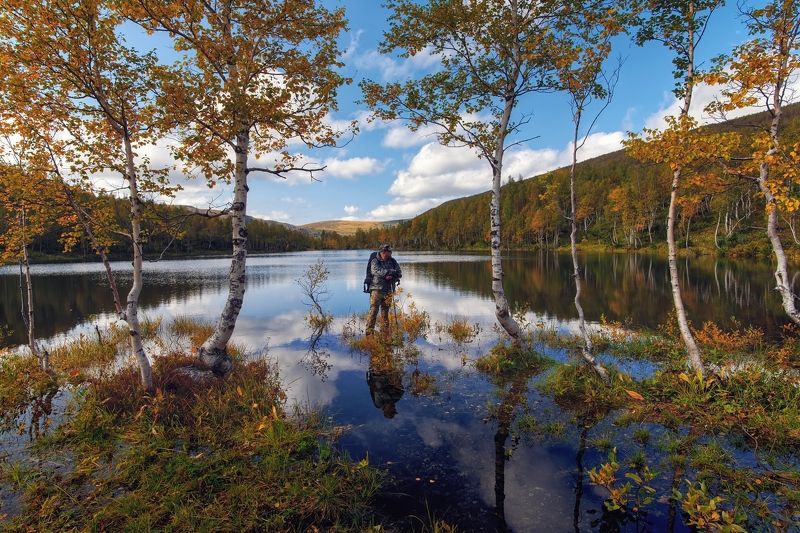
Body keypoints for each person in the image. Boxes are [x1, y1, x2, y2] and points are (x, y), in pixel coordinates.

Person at [365, 244, 402, 336]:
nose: (389, 255)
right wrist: (388, 273)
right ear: (382, 252)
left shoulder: (393, 261)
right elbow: (375, 271)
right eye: (387, 253)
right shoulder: (375, 260)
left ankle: (385, 333)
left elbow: (399, 272)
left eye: (390, 253)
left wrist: (393, 274)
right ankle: (369, 333)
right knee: (373, 311)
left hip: (389, 290)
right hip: (376, 290)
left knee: (385, 313)